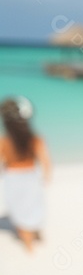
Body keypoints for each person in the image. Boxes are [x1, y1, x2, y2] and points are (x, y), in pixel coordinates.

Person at [0, 96, 52, 253]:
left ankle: (28, 245)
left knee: (19, 211)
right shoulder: (35, 139)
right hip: (31, 177)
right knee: (33, 206)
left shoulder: (4, 142)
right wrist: (46, 177)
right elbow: (45, 161)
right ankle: (36, 235)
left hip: (12, 179)